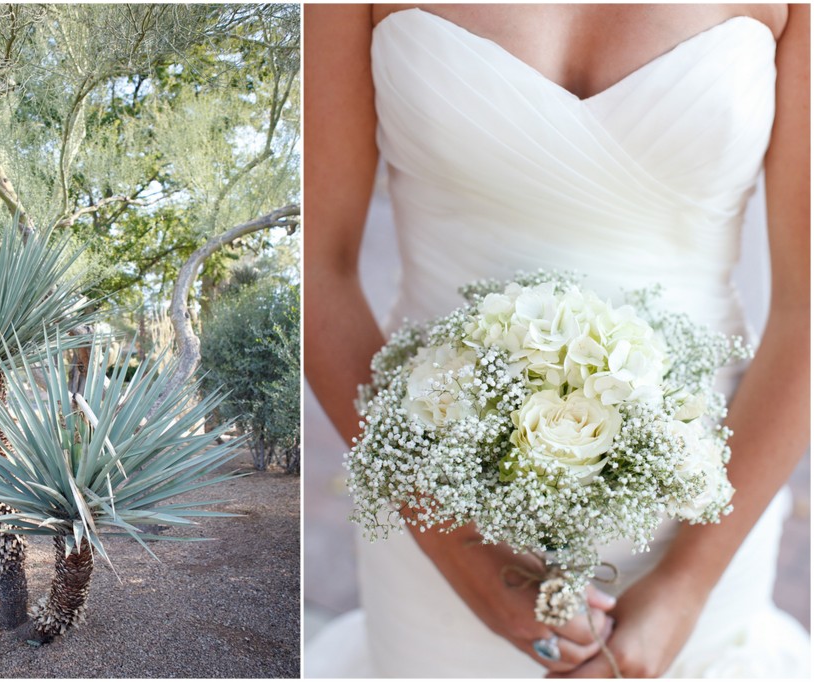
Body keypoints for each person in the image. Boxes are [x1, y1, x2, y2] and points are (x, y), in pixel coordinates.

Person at [304, 4, 810, 678]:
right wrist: (456, 549)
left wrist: (686, 588)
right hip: (432, 504)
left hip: (704, 516)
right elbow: (316, 269)